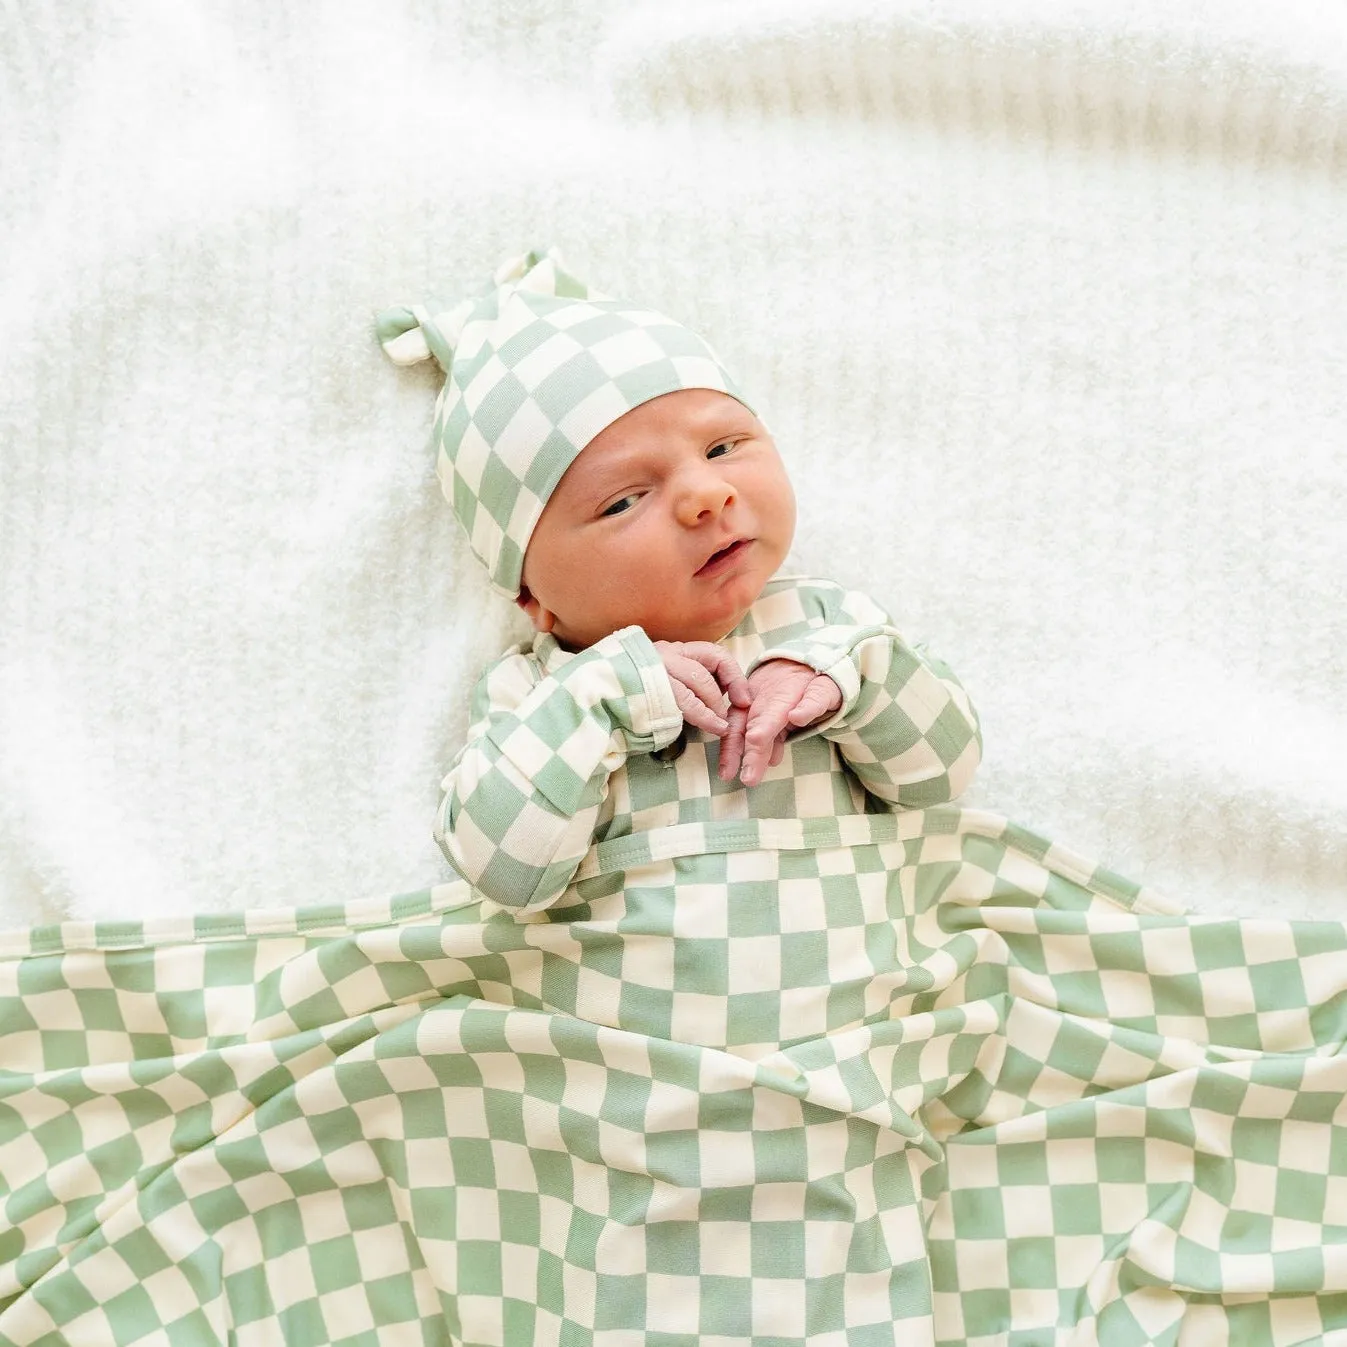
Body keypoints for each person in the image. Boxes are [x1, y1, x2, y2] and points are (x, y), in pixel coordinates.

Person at [379, 248, 982, 914]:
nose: (707, 493)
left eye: (723, 447)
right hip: (613, 1016)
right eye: (624, 499)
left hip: (866, 1005)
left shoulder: (828, 628)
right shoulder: (539, 694)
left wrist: (852, 683)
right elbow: (503, 875)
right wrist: (608, 696)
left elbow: (941, 779)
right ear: (531, 596)